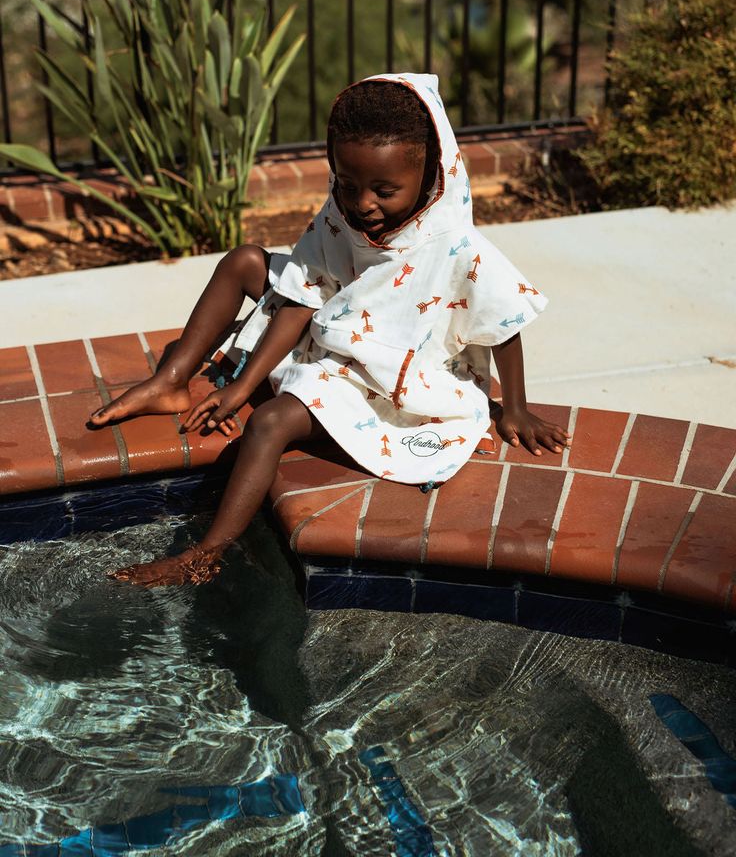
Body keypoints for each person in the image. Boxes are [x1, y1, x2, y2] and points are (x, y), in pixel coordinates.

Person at [91, 73, 569, 586]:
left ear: (429, 171)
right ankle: (172, 381)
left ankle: (204, 556)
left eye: (384, 190)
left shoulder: (456, 243)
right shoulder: (341, 214)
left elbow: (502, 322)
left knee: (270, 423)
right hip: (330, 327)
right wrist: (241, 387)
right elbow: (301, 297)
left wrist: (513, 407)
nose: (363, 202)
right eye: (347, 183)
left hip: (387, 375)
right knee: (245, 262)